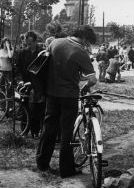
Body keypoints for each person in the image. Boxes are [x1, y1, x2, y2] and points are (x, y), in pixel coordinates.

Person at [36, 25, 97, 178]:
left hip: (51, 93)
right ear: (84, 38)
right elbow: (92, 79)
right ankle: (66, 169)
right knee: (66, 133)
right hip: (69, 96)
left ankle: (42, 163)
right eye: (88, 41)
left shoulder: (55, 42)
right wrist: (84, 86)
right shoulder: (81, 52)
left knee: (49, 127)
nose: (87, 44)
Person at [16, 31, 45, 138]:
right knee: (24, 107)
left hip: (37, 85)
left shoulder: (42, 52)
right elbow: (18, 68)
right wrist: (20, 80)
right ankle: (24, 131)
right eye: (27, 42)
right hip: (25, 84)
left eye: (30, 42)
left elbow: (44, 71)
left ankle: (35, 132)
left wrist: (37, 84)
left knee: (37, 109)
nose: (28, 44)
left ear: (35, 41)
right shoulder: (22, 52)